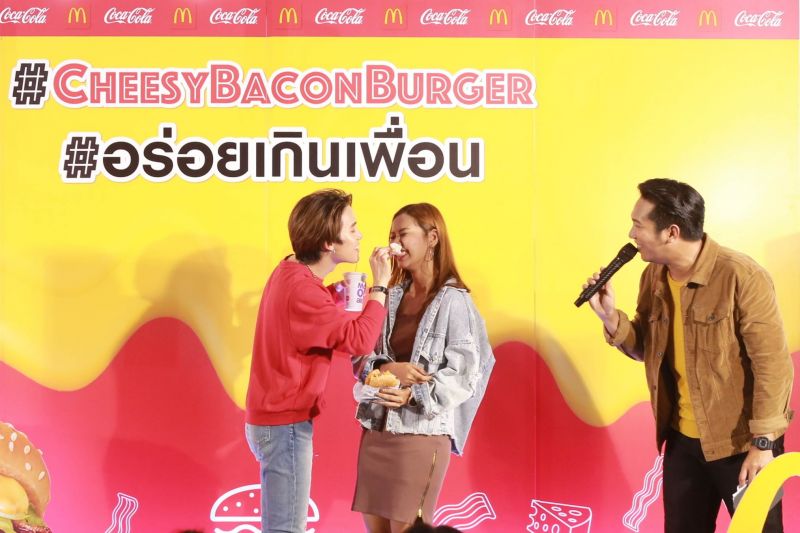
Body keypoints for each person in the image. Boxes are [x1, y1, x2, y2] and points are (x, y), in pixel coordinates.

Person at [583, 178, 793, 532]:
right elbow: (648, 349)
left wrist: (763, 445)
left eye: (638, 225)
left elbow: (773, 365)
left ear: (671, 232)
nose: (631, 234)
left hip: (743, 444)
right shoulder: (653, 277)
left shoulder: (741, 275)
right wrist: (610, 318)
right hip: (683, 443)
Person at [245, 189, 392, 533]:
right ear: (328, 242)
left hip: (274, 420)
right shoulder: (303, 290)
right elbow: (359, 339)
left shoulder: (290, 270)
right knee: (286, 529)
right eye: (352, 228)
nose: (360, 235)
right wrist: (380, 287)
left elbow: (304, 315)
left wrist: (335, 293)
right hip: (285, 425)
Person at [352, 203, 495, 533]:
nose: (395, 243)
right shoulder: (389, 296)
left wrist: (413, 394)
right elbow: (359, 354)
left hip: (421, 433)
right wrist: (390, 369)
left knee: (409, 528)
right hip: (377, 431)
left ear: (432, 238)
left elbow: (467, 373)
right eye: (391, 236)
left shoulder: (455, 300)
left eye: (402, 234)